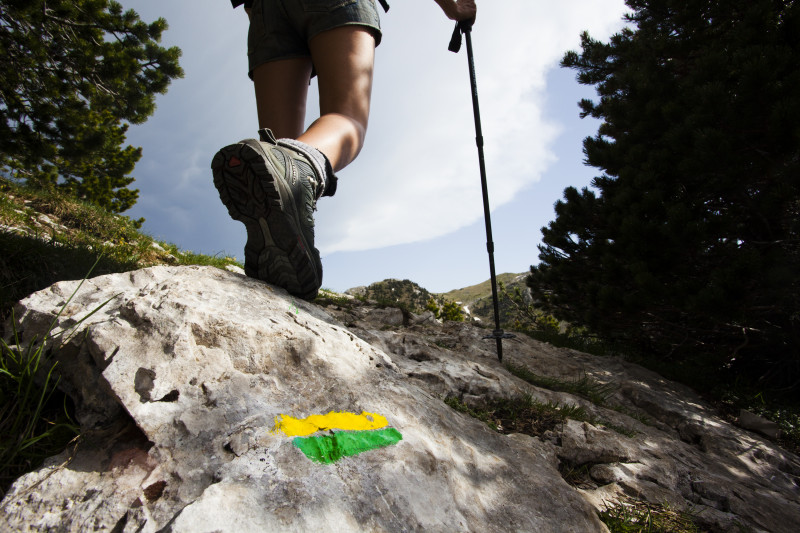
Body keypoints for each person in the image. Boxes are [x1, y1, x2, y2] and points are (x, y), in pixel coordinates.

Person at [212, 0, 478, 300]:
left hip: (264, 11)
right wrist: (454, 7)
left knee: (278, 160)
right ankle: (296, 179)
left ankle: (287, 254)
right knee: (345, 120)